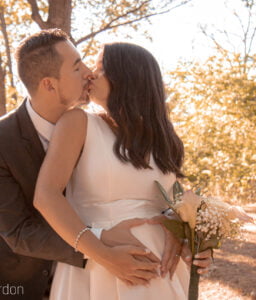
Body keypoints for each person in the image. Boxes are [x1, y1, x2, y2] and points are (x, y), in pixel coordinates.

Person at [0, 29, 199, 300]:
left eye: (95, 67)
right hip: (39, 278)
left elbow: (172, 197)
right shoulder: (74, 124)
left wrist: (184, 234)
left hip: (159, 271)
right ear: (49, 84)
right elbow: (22, 227)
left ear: (127, 80)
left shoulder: (159, 139)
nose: (88, 73)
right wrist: (101, 249)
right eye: (78, 66)